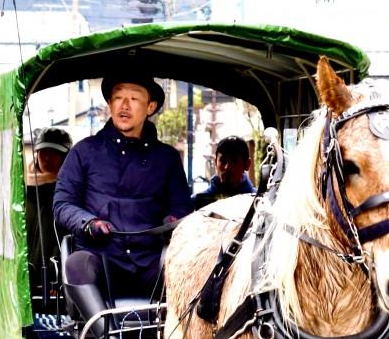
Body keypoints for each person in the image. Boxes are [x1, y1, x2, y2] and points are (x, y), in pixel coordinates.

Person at [53, 73, 191, 323]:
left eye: (133, 98)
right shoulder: (83, 152)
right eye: (117, 97)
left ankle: (174, 337)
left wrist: (173, 221)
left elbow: (181, 207)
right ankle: (108, 338)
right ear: (110, 104)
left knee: (193, 265)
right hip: (101, 257)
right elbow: (62, 205)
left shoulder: (167, 158)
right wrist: (88, 223)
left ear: (151, 107)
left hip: (151, 260)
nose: (124, 105)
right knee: (75, 265)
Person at [26, 125, 72, 278]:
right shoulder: (22, 189)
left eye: (54, 153)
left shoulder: (71, 193)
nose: (46, 158)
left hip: (56, 278)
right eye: (43, 152)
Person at [193, 136, 255, 209]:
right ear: (215, 162)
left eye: (234, 161)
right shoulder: (198, 201)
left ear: (247, 164)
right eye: (223, 161)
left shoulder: (257, 202)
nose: (227, 167)